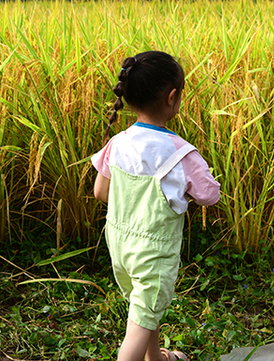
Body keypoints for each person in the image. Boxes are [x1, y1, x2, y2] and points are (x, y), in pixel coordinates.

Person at [91, 51, 220, 361]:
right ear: (172, 97)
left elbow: (100, 192)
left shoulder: (118, 141)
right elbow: (209, 196)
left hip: (121, 247)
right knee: (137, 326)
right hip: (154, 254)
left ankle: (157, 358)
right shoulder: (181, 153)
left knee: (146, 309)